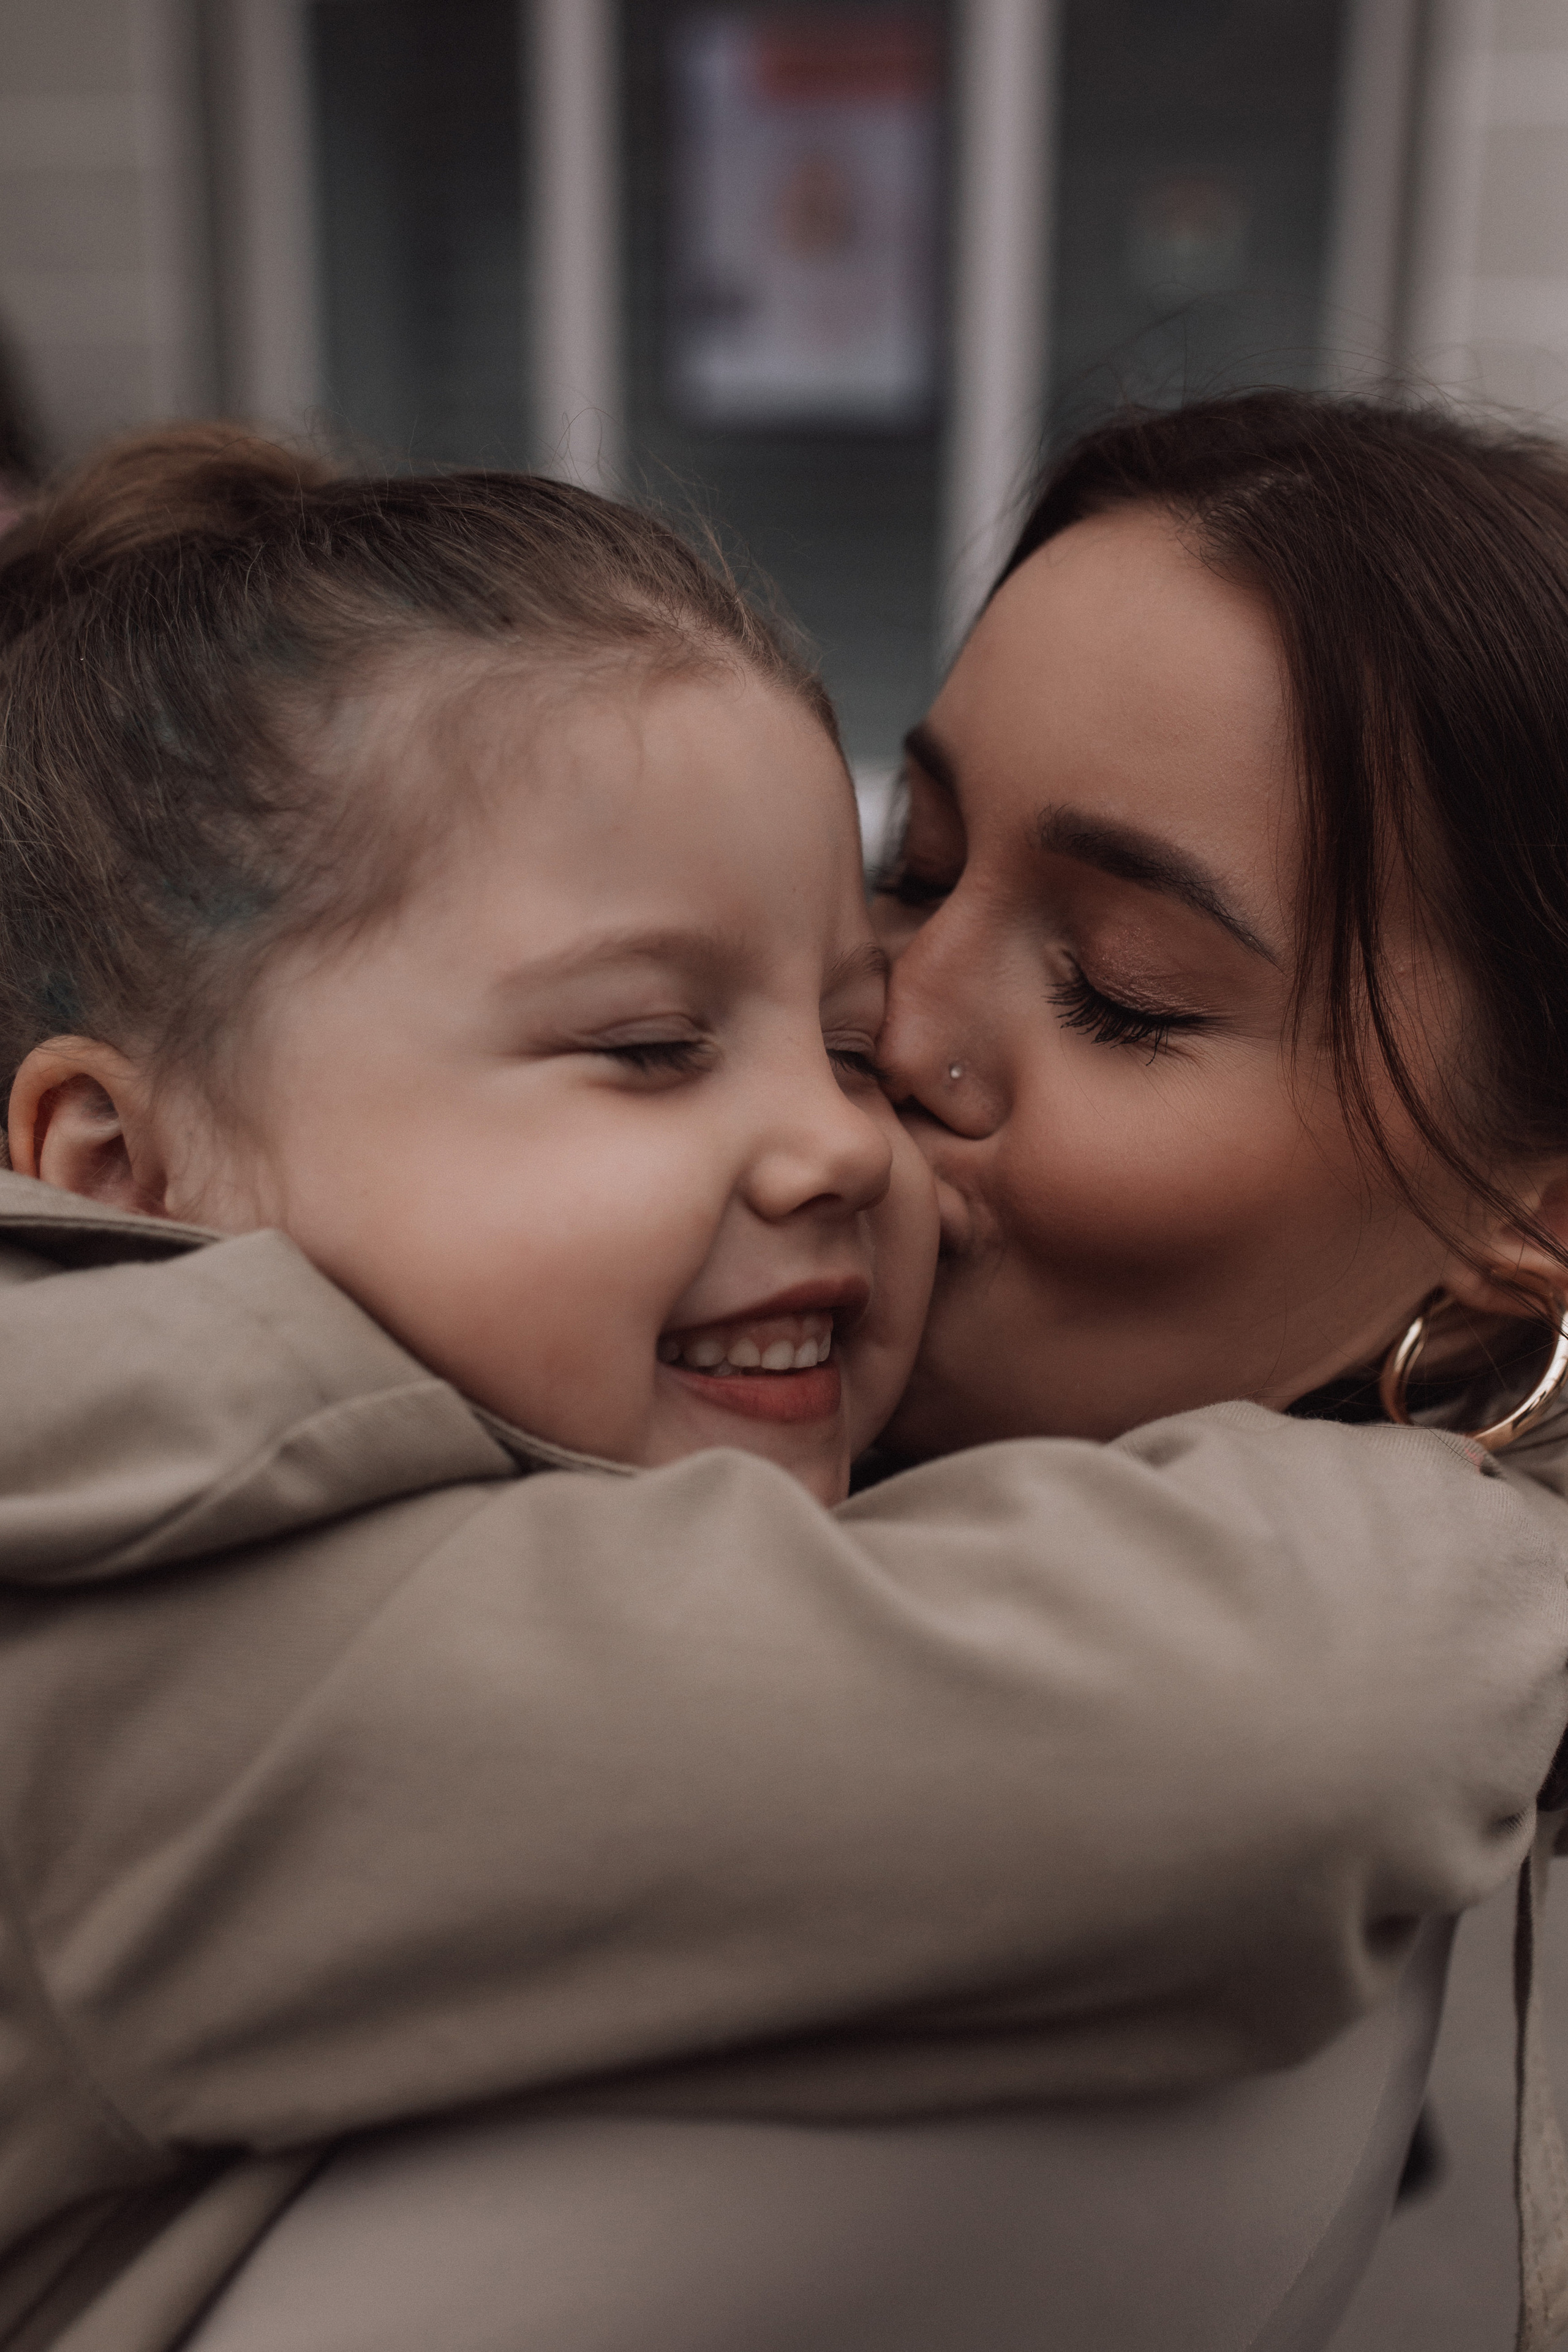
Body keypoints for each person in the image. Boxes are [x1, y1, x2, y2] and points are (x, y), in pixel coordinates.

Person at [0, 412, 1565, 2352]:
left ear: (1535, 1214)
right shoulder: (160, 1553)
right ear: (115, 1166)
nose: (878, 1071)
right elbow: (1285, 1731)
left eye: (1120, 985)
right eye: (919, 872)